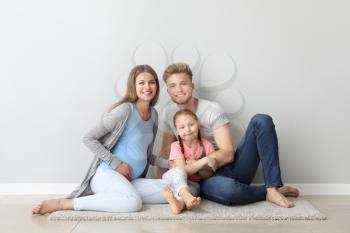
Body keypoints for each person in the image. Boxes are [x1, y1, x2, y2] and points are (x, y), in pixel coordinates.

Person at [158, 63, 300, 208]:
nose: (179, 89)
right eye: (173, 86)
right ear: (168, 91)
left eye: (183, 83)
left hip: (227, 168)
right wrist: (161, 184)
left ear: (192, 86)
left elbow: (228, 153)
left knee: (261, 120)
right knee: (230, 191)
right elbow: (165, 151)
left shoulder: (212, 110)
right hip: (202, 180)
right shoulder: (168, 113)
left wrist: (200, 163)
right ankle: (269, 192)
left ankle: (272, 187)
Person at [32, 64, 170, 215]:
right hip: (107, 175)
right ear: (133, 86)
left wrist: (170, 163)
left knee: (170, 190)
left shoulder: (154, 115)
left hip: (131, 181)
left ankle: (118, 197)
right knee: (133, 202)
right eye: (141, 83)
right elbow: (89, 138)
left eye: (151, 82)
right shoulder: (124, 111)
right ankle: (65, 203)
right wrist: (116, 164)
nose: (147, 87)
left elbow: (145, 155)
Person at [162, 109, 216, 214]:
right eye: (182, 127)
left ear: (198, 124)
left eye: (191, 124)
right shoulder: (176, 146)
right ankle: (185, 196)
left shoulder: (207, 145)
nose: (187, 129)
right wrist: (204, 161)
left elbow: (208, 174)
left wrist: (195, 165)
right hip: (171, 178)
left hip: (192, 182)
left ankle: (179, 205)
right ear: (177, 131)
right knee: (179, 171)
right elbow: (184, 170)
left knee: (194, 191)